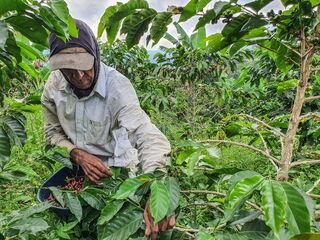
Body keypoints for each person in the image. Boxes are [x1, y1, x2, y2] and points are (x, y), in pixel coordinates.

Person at [41, 19, 175, 239]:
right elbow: (52, 133)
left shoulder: (117, 88)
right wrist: (77, 154)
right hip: (80, 169)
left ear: (95, 55)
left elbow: (147, 135)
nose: (79, 76)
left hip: (117, 168)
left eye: (84, 66)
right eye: (68, 69)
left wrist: (157, 189)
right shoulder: (54, 87)